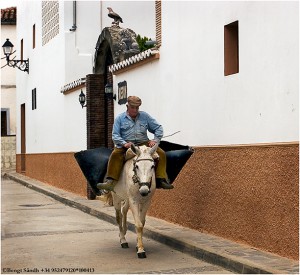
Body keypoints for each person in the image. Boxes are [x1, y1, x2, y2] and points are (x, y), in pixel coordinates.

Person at [97, 95, 173, 192]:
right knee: (115, 155)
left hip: (144, 143)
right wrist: (124, 143)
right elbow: (115, 135)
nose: (135, 110)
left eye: (137, 108)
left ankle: (160, 179)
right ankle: (110, 181)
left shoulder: (145, 116)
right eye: (133, 107)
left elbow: (158, 128)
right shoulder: (119, 119)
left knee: (161, 153)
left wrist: (155, 140)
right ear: (127, 106)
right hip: (126, 144)